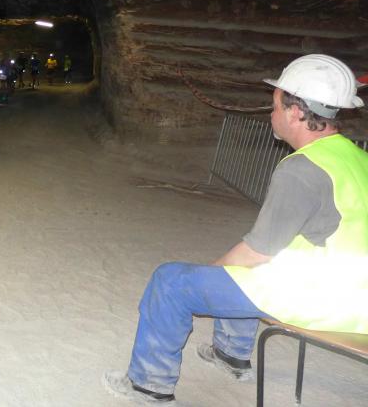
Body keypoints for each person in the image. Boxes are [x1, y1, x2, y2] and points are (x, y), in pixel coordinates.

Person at [103, 53, 368, 405]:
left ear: (295, 112)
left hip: (325, 299)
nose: (271, 113)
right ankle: (230, 356)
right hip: (358, 296)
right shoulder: (356, 157)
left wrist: (212, 273)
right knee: (249, 266)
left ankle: (148, 386)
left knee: (172, 281)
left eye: (274, 105)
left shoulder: (303, 169)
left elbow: (257, 252)